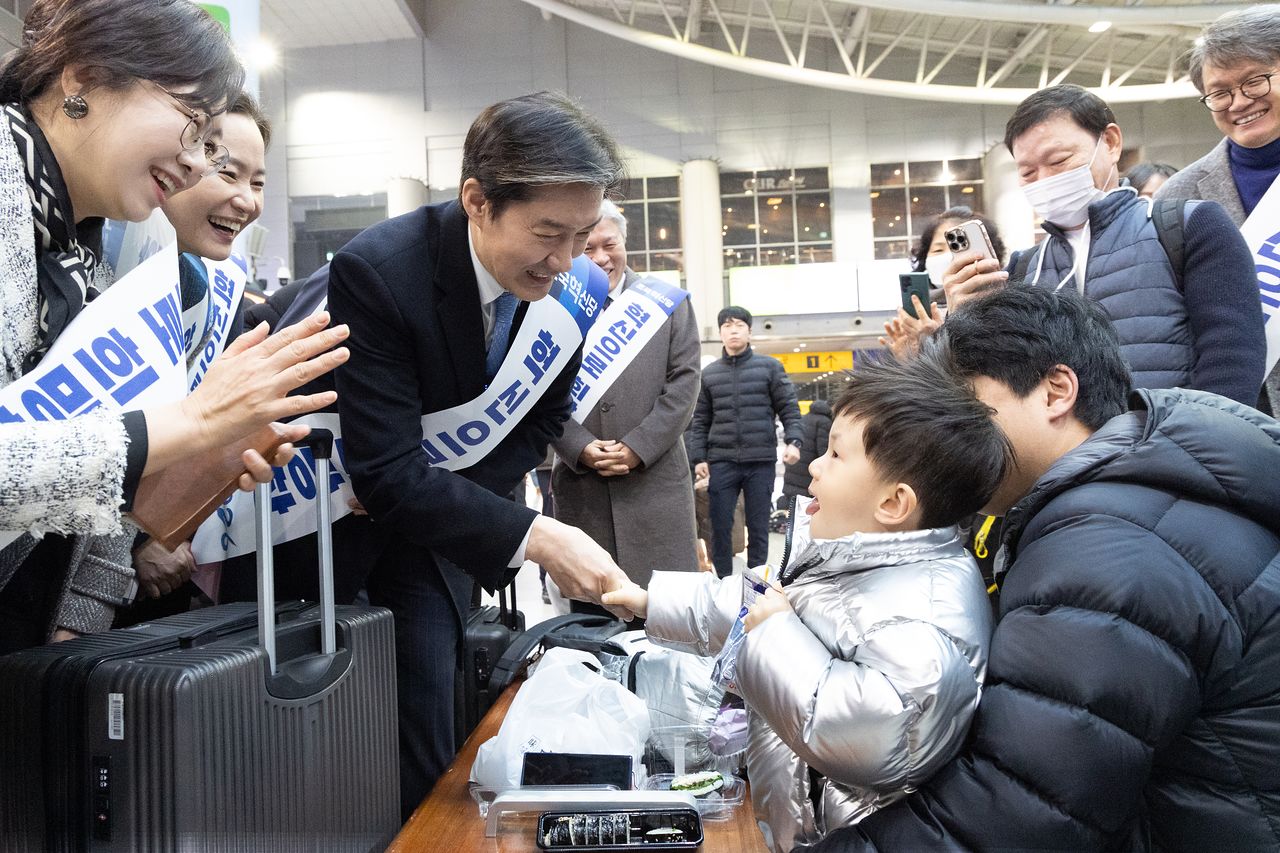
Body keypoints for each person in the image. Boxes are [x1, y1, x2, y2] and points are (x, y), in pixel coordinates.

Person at [802, 284, 1280, 852]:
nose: (936, 437)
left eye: (962, 407)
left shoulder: (1109, 548)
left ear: (1056, 390)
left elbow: (1023, 813)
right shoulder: (1128, 492)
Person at [0, 0, 345, 650]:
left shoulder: (93, 252)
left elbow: (81, 460)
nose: (194, 165)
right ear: (84, 79)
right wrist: (185, 425)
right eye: (192, 128)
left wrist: (194, 460)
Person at [326, 91, 635, 817]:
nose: (565, 261)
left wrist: (460, 492)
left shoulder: (574, 290)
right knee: (334, 739)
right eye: (548, 233)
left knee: (432, 729)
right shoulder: (381, 271)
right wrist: (536, 533)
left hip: (441, 535)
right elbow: (384, 470)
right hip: (330, 531)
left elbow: (544, 417)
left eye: (585, 233)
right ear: (477, 199)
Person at [604, 355, 1009, 851]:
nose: (815, 465)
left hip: (842, 838)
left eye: (836, 455)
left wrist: (773, 629)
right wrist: (652, 600)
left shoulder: (921, 618)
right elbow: (750, 601)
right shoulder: (855, 553)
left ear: (893, 504)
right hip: (797, 820)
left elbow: (863, 730)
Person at [943, 83, 1265, 407]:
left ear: (1110, 143)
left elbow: (1232, 357)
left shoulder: (1188, 227)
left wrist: (1197, 451)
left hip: (1174, 449)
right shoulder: (1024, 269)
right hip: (1066, 457)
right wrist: (964, 320)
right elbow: (1002, 387)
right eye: (1027, 172)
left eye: (1058, 161)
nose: (1044, 181)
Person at [117, 91, 274, 620]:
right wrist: (135, 543)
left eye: (258, 183)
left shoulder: (217, 295)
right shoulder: (101, 279)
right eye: (226, 172)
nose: (247, 201)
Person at [551, 199, 701, 610]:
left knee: (668, 613)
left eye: (609, 245)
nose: (601, 258)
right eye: (587, 248)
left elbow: (685, 384)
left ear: (624, 242)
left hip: (655, 485)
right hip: (584, 485)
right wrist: (578, 446)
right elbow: (540, 394)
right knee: (591, 615)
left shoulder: (666, 302)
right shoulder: (549, 308)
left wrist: (639, 446)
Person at [1156, 4, 1280, 414]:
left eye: (1255, 82)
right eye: (1220, 92)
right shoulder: (1180, 196)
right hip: (1247, 422)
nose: (1239, 102)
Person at [688, 306, 802, 577]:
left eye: (739, 325)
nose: (733, 330)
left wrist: (794, 440)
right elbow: (700, 419)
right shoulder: (710, 374)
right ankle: (724, 581)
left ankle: (757, 585)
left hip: (760, 460)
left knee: (759, 526)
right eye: (727, 326)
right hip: (722, 460)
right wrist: (699, 457)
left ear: (750, 332)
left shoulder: (770, 367)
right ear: (720, 334)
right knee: (719, 525)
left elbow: (788, 406)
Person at [880, 206, 1005, 358]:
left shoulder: (1002, 302)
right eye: (938, 250)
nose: (948, 257)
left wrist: (938, 338)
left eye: (956, 249)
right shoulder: (918, 310)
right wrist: (907, 358)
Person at [780, 398, 832, 501]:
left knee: (794, 509)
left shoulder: (804, 418)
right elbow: (823, 452)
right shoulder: (824, 422)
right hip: (807, 476)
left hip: (793, 472)